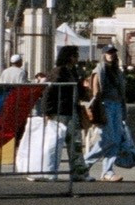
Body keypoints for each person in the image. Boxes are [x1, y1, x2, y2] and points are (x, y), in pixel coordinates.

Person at [88, 44, 129, 182]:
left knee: (115, 139)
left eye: (113, 52)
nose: (111, 54)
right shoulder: (100, 69)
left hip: (117, 104)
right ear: (103, 54)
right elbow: (95, 90)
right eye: (108, 52)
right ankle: (85, 163)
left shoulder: (117, 70)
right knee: (108, 139)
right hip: (105, 105)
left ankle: (108, 171)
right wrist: (98, 108)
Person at [50, 46, 90, 180]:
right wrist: (48, 111)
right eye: (75, 55)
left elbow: (79, 90)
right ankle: (50, 171)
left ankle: (79, 172)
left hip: (72, 110)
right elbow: (49, 90)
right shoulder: (59, 71)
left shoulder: (73, 71)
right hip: (59, 111)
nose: (77, 58)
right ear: (68, 56)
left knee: (75, 143)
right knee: (56, 143)